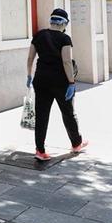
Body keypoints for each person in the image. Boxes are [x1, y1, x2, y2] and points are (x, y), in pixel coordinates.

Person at [26, 8, 88, 161]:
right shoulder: (65, 39)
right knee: (68, 113)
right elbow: (66, 61)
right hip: (60, 82)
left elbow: (30, 58)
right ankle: (76, 144)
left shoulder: (38, 35)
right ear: (64, 23)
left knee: (41, 115)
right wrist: (71, 82)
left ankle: (40, 150)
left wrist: (29, 75)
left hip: (40, 80)